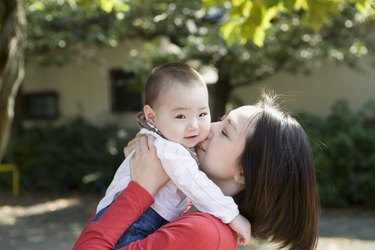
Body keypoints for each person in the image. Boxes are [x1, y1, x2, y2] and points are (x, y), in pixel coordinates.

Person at [73, 91, 320, 250]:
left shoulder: (205, 233)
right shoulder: (187, 205)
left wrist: (140, 189)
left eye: (225, 131)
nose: (207, 128)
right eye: (219, 119)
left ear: (243, 173)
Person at [92, 62, 251, 248]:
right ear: (152, 117)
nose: (195, 126)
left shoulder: (167, 140)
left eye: (202, 114)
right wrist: (232, 214)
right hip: (137, 219)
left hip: (129, 214)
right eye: (181, 116)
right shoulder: (169, 148)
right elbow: (194, 182)